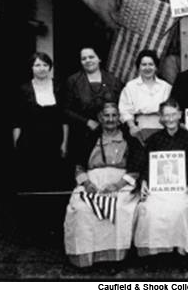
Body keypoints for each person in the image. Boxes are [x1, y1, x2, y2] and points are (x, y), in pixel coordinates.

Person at [64, 102, 144, 268]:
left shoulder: (130, 139)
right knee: (81, 209)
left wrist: (118, 185)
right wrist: (86, 183)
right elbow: (78, 166)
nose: (110, 119)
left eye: (114, 115)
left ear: (119, 118)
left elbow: (136, 169)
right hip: (93, 182)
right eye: (106, 116)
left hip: (121, 184)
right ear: (100, 118)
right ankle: (88, 257)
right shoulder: (89, 137)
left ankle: (116, 257)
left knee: (121, 207)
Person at [134, 98, 188, 265]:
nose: (170, 119)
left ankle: (180, 251)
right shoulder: (153, 139)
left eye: (173, 115)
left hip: (180, 187)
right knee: (150, 209)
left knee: (181, 209)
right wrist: (144, 182)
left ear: (180, 115)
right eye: (166, 116)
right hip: (158, 187)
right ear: (161, 118)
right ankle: (155, 252)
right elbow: (145, 166)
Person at [13, 52, 68, 192]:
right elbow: (17, 120)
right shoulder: (23, 89)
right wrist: (16, 143)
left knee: (53, 180)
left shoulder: (59, 87)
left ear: (50, 67)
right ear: (31, 68)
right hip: (29, 142)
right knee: (31, 181)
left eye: (45, 65)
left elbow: (64, 119)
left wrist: (64, 143)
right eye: (37, 65)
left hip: (53, 141)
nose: (42, 68)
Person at [64, 47, 123, 161]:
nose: (88, 60)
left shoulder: (113, 80)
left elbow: (123, 106)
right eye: (84, 58)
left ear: (99, 58)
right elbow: (66, 110)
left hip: (110, 135)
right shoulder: (73, 81)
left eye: (91, 57)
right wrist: (87, 122)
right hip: (82, 135)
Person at [119, 50, 171, 144]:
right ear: (139, 67)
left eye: (151, 64)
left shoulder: (165, 87)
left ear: (156, 67)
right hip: (139, 129)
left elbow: (171, 108)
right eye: (144, 64)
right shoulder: (131, 86)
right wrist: (132, 127)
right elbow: (124, 109)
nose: (147, 68)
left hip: (162, 127)